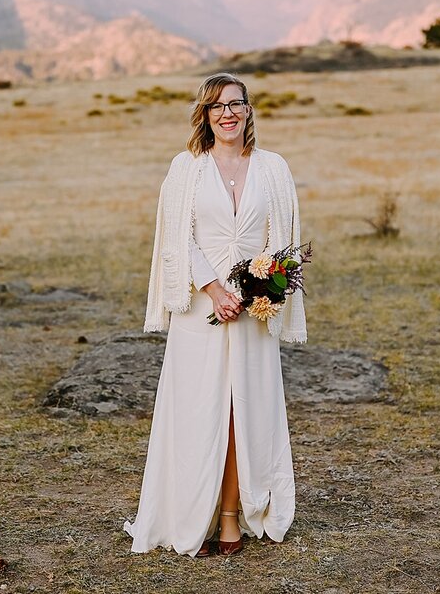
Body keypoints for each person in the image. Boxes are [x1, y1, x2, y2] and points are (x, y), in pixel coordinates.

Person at [124, 72, 307, 558]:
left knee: (241, 411)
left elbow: (283, 237)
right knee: (198, 408)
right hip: (200, 307)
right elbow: (176, 237)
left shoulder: (273, 168)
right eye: (217, 106)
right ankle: (189, 515)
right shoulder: (186, 168)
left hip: (251, 310)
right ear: (205, 116)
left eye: (237, 104)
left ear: (249, 111)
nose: (228, 113)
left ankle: (230, 517)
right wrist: (212, 287)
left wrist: (253, 291)